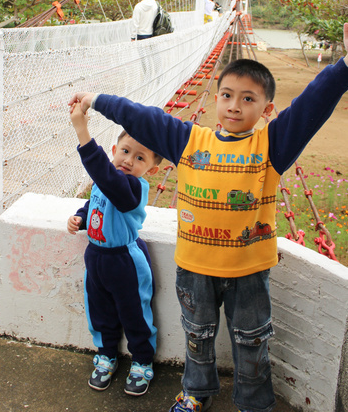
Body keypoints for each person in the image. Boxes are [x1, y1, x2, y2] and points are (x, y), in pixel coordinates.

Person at [68, 23, 348, 412]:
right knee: (197, 337)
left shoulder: (271, 146)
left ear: (265, 110)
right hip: (195, 268)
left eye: (247, 99)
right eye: (228, 95)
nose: (234, 105)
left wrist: (345, 66)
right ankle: (196, 393)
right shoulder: (190, 141)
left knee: (251, 341)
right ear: (217, 99)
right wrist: (96, 99)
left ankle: (254, 404)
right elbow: (143, 117)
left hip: (249, 271)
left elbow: (311, 106)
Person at [67, 101, 162, 396]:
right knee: (100, 310)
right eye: (125, 151)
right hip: (96, 257)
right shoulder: (104, 181)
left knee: (134, 312)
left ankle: (142, 361)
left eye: (140, 157)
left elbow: (108, 181)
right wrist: (81, 217)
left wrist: (82, 130)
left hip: (124, 262)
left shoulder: (133, 189)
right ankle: (106, 354)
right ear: (114, 149)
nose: (129, 160)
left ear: (152, 168)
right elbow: (96, 198)